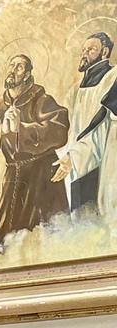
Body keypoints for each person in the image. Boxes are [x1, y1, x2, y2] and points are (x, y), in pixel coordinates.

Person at [0, 55, 69, 243]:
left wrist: (22, 128)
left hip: (42, 175)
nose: (13, 70)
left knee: (46, 236)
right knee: (5, 239)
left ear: (28, 74)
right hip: (14, 177)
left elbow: (59, 130)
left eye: (19, 67)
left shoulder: (41, 100)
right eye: (11, 65)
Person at [53, 32, 117, 213]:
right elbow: (67, 127)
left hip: (104, 157)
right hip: (75, 161)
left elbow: (103, 123)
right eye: (84, 50)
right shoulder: (74, 90)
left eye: (91, 49)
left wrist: (76, 155)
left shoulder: (114, 78)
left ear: (104, 52)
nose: (85, 53)